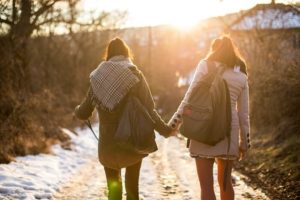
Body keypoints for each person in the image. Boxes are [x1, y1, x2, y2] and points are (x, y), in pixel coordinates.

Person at [74, 38, 172, 200]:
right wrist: (165, 130)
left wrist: (77, 111)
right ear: (126, 54)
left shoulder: (98, 77)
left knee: (114, 190)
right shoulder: (135, 74)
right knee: (132, 189)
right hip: (132, 141)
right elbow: (150, 110)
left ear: (109, 55)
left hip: (108, 145)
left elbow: (84, 112)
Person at [170, 36, 250, 200]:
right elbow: (243, 114)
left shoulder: (205, 65)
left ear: (215, 50)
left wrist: (174, 123)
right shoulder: (241, 76)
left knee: (206, 187)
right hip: (228, 133)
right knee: (226, 182)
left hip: (203, 129)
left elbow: (189, 97)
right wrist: (244, 143)